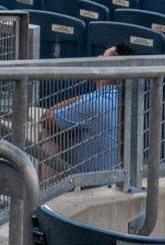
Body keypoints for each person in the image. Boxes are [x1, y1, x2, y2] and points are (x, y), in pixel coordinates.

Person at [44, 45, 128, 176]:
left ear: (110, 70)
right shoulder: (131, 99)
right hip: (120, 182)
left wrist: (83, 98)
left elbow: (47, 118)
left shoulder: (97, 102)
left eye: (101, 60)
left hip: (96, 189)